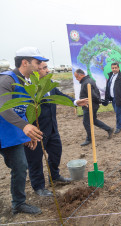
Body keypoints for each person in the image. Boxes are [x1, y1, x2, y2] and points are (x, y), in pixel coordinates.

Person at [24, 62, 88, 197]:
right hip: (35, 132)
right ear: (37, 70)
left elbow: (60, 95)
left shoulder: (50, 84)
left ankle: (55, 177)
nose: (48, 70)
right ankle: (39, 187)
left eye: (47, 67)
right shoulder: (29, 87)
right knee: (35, 160)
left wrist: (75, 102)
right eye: (45, 68)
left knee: (56, 153)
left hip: (52, 128)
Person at [0, 47, 46, 214]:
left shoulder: (27, 83)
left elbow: (21, 109)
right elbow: (4, 109)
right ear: (25, 62)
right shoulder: (6, 80)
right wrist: (25, 127)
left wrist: (26, 133)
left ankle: (18, 203)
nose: (40, 66)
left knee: (20, 166)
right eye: (37, 62)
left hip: (11, 133)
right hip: (2, 129)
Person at [74, 69, 114, 146]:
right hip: (92, 104)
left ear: (81, 75)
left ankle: (89, 138)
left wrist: (98, 101)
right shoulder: (88, 80)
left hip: (90, 105)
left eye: (77, 77)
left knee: (86, 122)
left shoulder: (87, 82)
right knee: (93, 120)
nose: (76, 79)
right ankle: (109, 129)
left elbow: (93, 95)